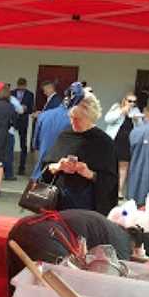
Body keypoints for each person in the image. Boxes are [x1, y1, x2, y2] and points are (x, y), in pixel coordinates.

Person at [7, 209, 149, 282]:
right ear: (140, 249)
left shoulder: (114, 230)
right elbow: (110, 283)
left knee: (20, 288)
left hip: (26, 226)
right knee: (45, 292)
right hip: (45, 237)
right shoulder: (122, 246)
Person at [41, 85, 119, 215]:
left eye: (77, 119)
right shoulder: (65, 135)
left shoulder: (104, 142)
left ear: (90, 116)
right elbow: (45, 169)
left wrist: (89, 173)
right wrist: (58, 166)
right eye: (71, 118)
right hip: (57, 203)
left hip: (87, 209)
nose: (73, 123)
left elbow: (111, 182)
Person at [104, 91, 144, 197]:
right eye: (129, 101)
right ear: (124, 100)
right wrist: (122, 111)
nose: (131, 103)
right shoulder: (116, 107)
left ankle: (119, 191)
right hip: (114, 140)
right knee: (111, 164)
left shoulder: (136, 110)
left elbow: (141, 127)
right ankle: (108, 188)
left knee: (124, 166)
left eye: (134, 102)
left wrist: (137, 120)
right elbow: (107, 119)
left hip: (127, 142)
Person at [31, 91, 72, 180]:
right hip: (61, 175)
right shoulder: (75, 120)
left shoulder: (43, 115)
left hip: (40, 171)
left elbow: (35, 145)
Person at [11, 78, 35, 175]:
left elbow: (31, 108)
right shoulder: (12, 93)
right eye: (19, 86)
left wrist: (25, 108)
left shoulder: (30, 94)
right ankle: (7, 165)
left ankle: (22, 167)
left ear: (25, 85)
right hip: (13, 119)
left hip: (23, 121)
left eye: (23, 87)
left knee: (23, 144)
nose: (21, 88)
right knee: (9, 142)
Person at [3, 87, 25, 180]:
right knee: (8, 154)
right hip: (9, 131)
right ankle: (8, 174)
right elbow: (21, 110)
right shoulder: (13, 100)